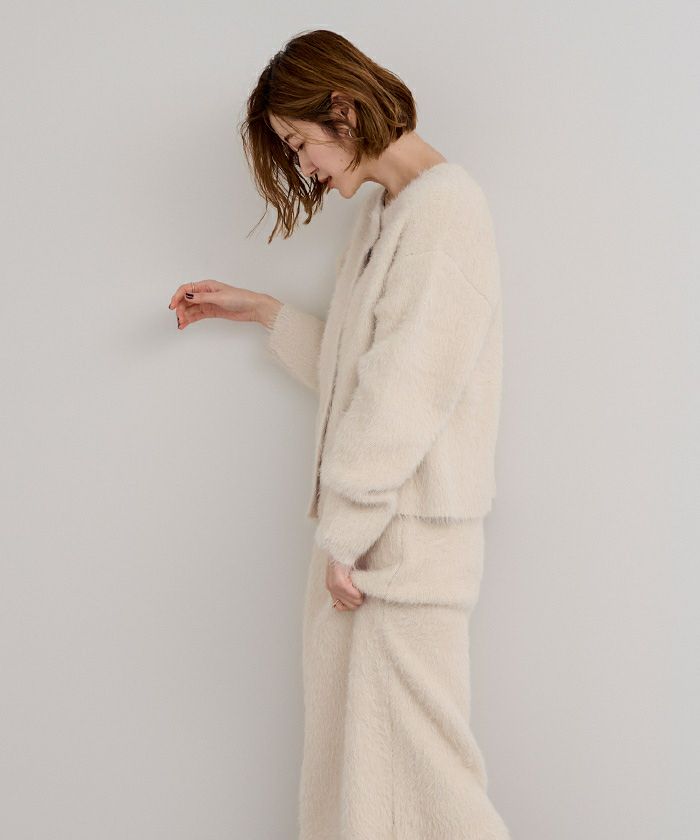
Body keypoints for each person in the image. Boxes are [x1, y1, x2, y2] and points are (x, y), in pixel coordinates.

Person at [168, 28, 510, 840]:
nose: (307, 169)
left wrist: (347, 534)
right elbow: (362, 375)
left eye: (299, 144)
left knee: (430, 788)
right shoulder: (390, 215)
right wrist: (262, 312)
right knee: (358, 780)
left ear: (343, 109)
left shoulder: (445, 210)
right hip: (372, 544)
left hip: (403, 551)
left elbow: (404, 394)